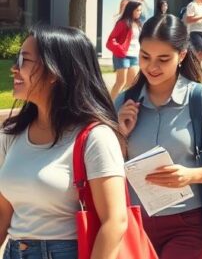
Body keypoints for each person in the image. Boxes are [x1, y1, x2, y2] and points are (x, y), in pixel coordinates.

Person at [115, 15, 202, 258]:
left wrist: (192, 175)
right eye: (145, 57)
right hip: (133, 222)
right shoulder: (124, 102)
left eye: (163, 59)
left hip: (189, 224)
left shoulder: (201, 99)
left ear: (183, 55)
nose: (152, 67)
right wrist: (120, 135)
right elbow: (106, 167)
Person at [0, 26, 128, 259]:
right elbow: (3, 213)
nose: (14, 69)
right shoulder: (11, 134)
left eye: (24, 60)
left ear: (53, 73)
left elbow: (115, 221)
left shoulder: (95, 137)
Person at [106, 0, 143, 100]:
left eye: (140, 10)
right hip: (122, 55)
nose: (140, 12)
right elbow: (111, 39)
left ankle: (122, 102)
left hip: (134, 56)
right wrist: (121, 49)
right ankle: (110, 106)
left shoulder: (139, 24)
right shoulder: (122, 23)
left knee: (132, 83)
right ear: (131, 10)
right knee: (121, 82)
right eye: (138, 10)